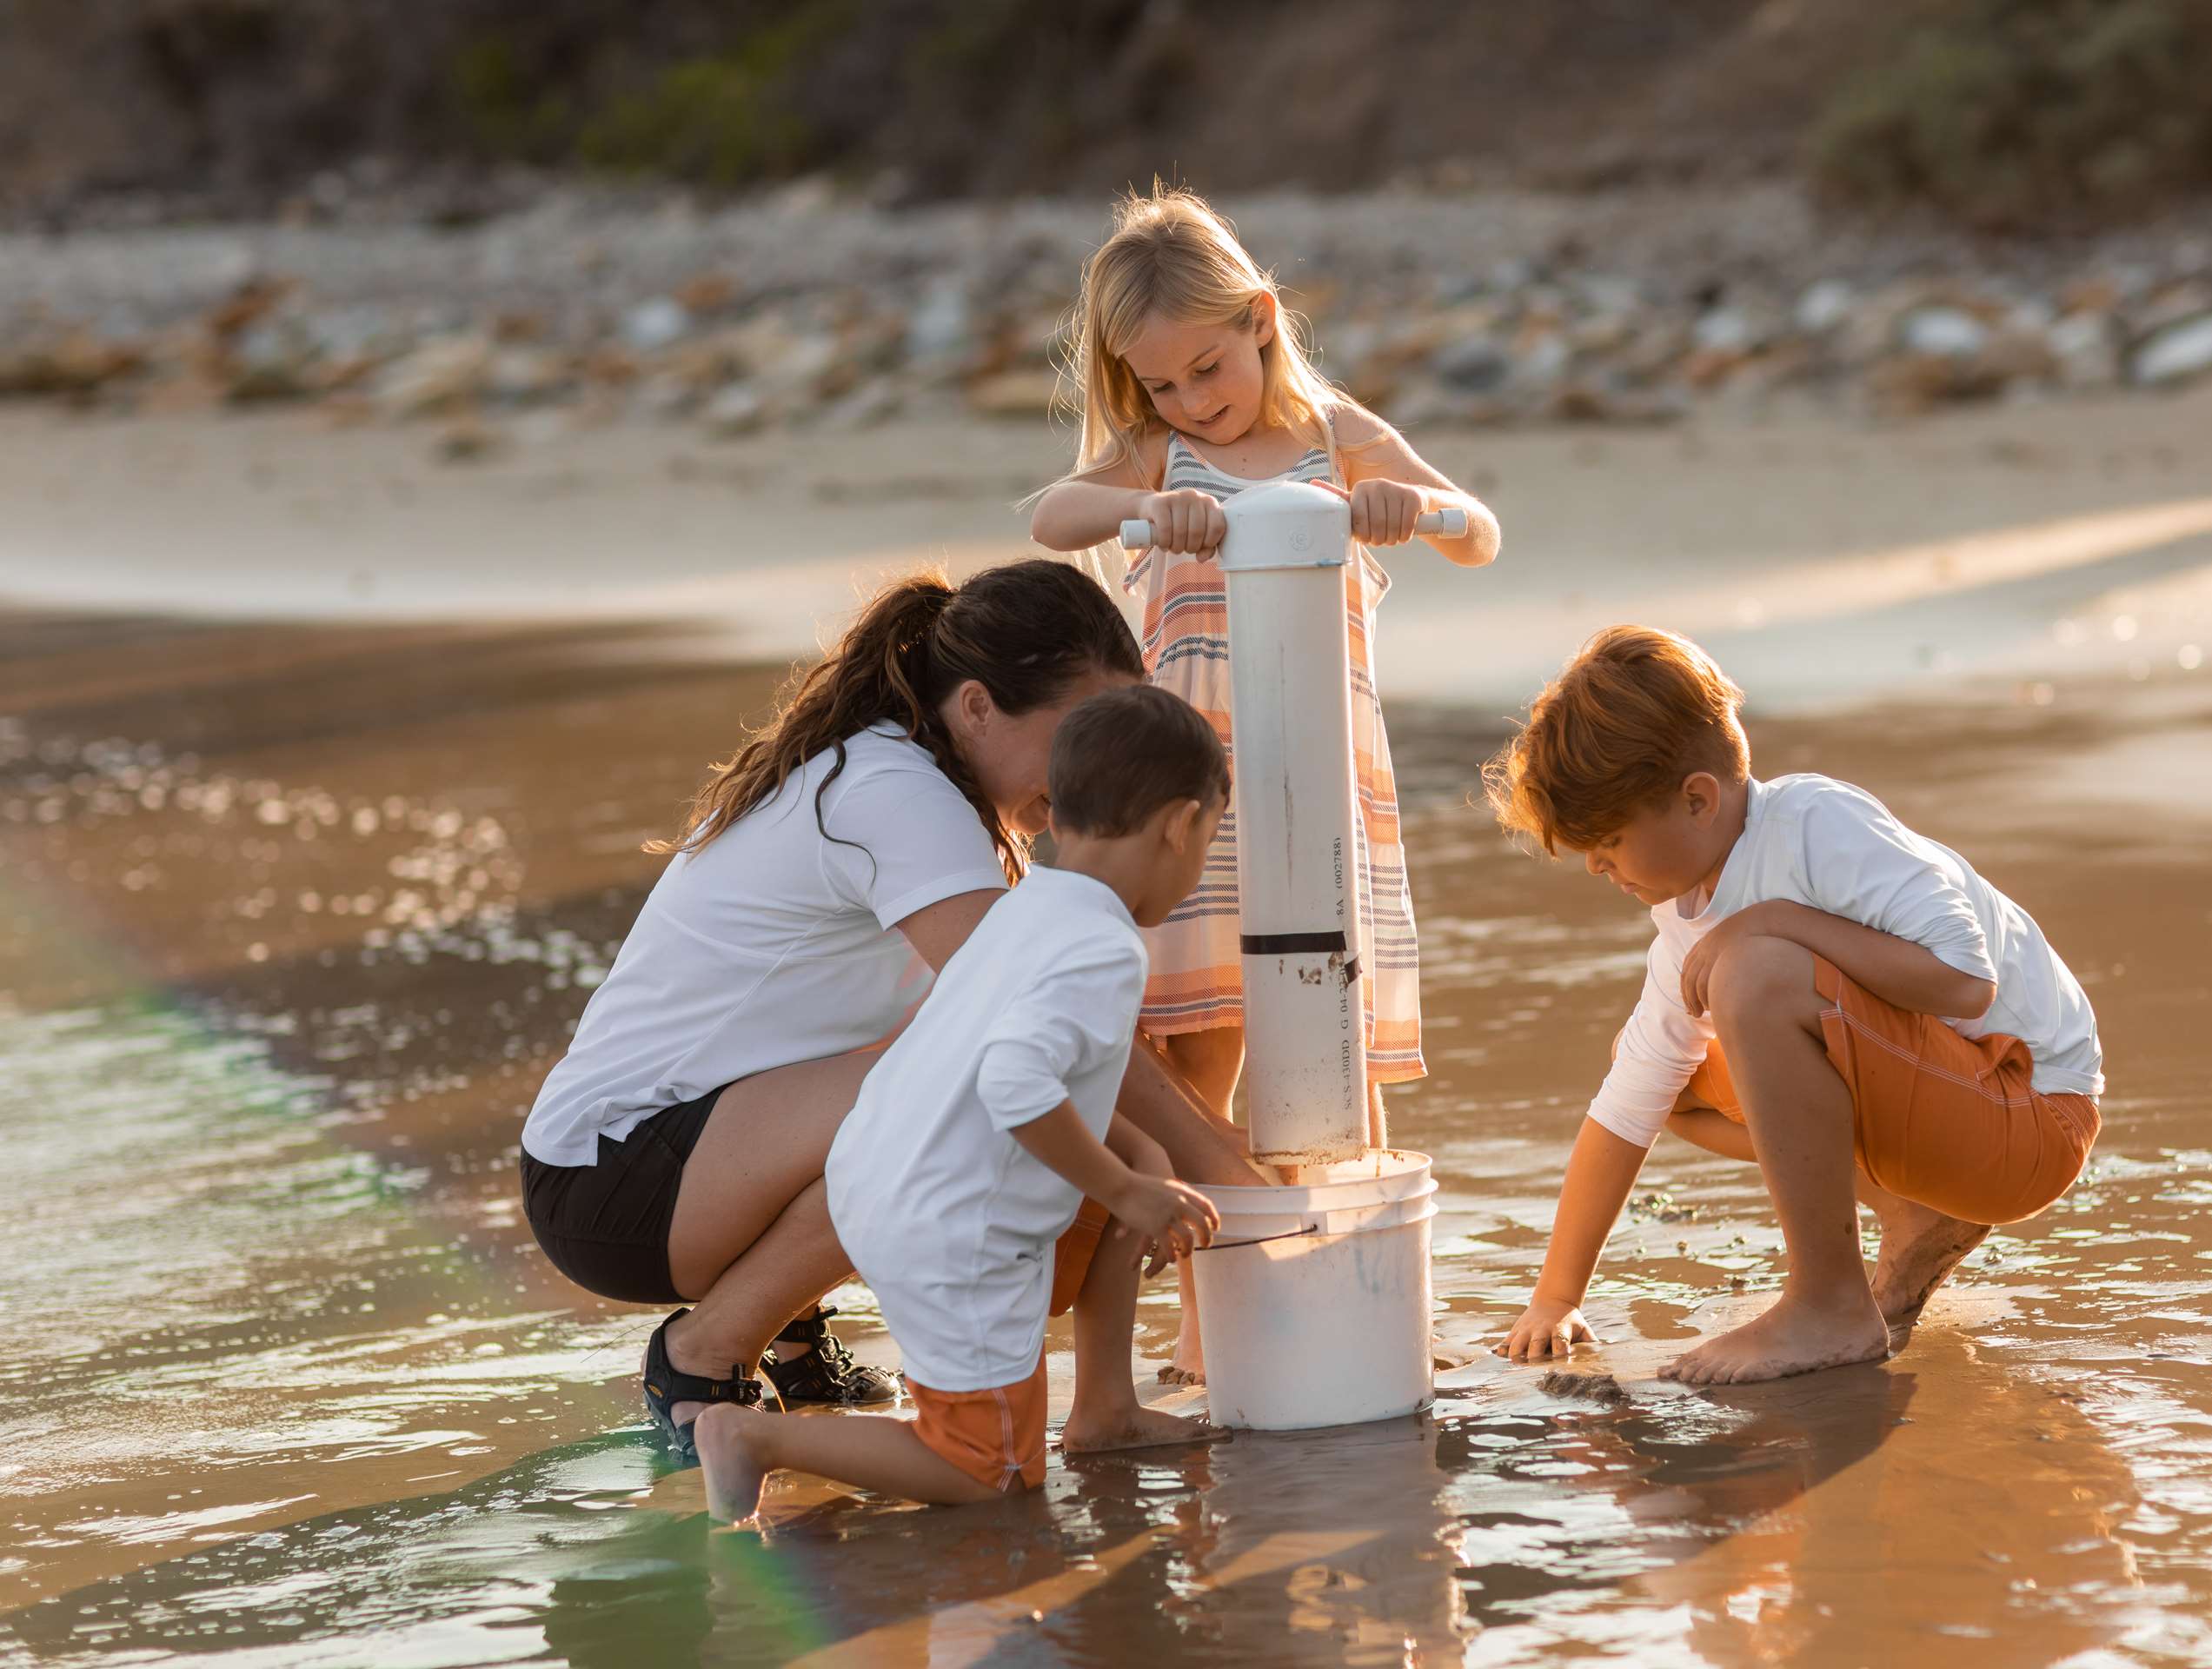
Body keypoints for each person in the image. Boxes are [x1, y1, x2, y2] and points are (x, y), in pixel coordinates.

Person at [516, 559, 1259, 1460]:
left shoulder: (922, 780)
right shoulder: (893, 791)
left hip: (691, 1154)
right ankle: (704, 1351)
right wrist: (1225, 1167)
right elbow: (1025, 1009)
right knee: (964, 1089)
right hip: (613, 1183)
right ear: (977, 707)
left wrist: (1172, 1153)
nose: (1100, 773)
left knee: (968, 1068)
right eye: (1081, 733)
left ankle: (791, 1333)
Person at [1026, 184, 1501, 1375]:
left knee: (1341, 1031)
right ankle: (1214, 1324)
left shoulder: (1337, 436)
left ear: (1262, 321)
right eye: (1161, 386)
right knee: (1200, 1046)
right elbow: (1052, 517)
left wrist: (1411, 506)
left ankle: (1378, 1297)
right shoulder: (1164, 457)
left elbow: (1479, 531)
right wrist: (1150, 505)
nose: (1193, 401)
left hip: (1325, 783)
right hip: (1191, 800)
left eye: (1209, 368)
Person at [1482, 627, 2105, 1385]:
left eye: (1609, 838)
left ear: (1697, 800)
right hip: (1952, 1117)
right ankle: (1913, 1212)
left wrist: (1776, 921)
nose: (1594, 865)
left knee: (1755, 976)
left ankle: (1827, 1304)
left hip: (2033, 1118)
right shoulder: (1689, 919)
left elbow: (1966, 982)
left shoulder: (1815, 824)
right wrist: (1556, 1296)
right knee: (1654, 1073)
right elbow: (1624, 1112)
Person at [695, 686, 1231, 1518]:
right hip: (952, 1224)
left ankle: (1106, 1410)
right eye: (1211, 840)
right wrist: (1127, 1188)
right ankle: (752, 1439)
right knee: (991, 1471)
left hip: (884, 1177)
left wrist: (1139, 1159)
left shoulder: (1030, 908)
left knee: (1130, 1182)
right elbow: (1013, 1082)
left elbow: (1020, 1061)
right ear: (1181, 826)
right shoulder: (1104, 947)